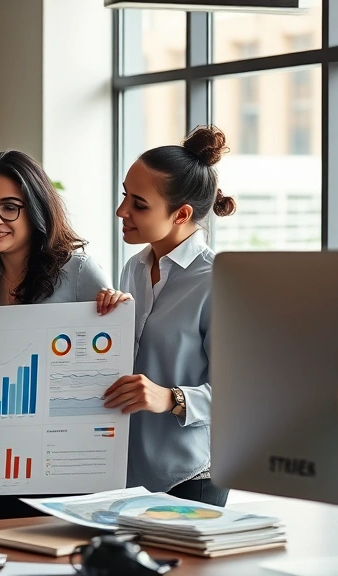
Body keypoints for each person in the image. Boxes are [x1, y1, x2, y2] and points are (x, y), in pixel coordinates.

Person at [0, 150, 114, 522]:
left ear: (35, 209)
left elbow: (112, 360)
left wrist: (117, 309)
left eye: (9, 207)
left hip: (59, 469)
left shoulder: (79, 272)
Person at [96, 125, 237, 506]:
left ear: (182, 214)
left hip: (189, 478)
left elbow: (240, 397)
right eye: (125, 195)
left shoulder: (218, 281)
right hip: (127, 474)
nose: (121, 211)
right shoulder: (133, 269)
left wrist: (169, 397)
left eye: (138, 204)